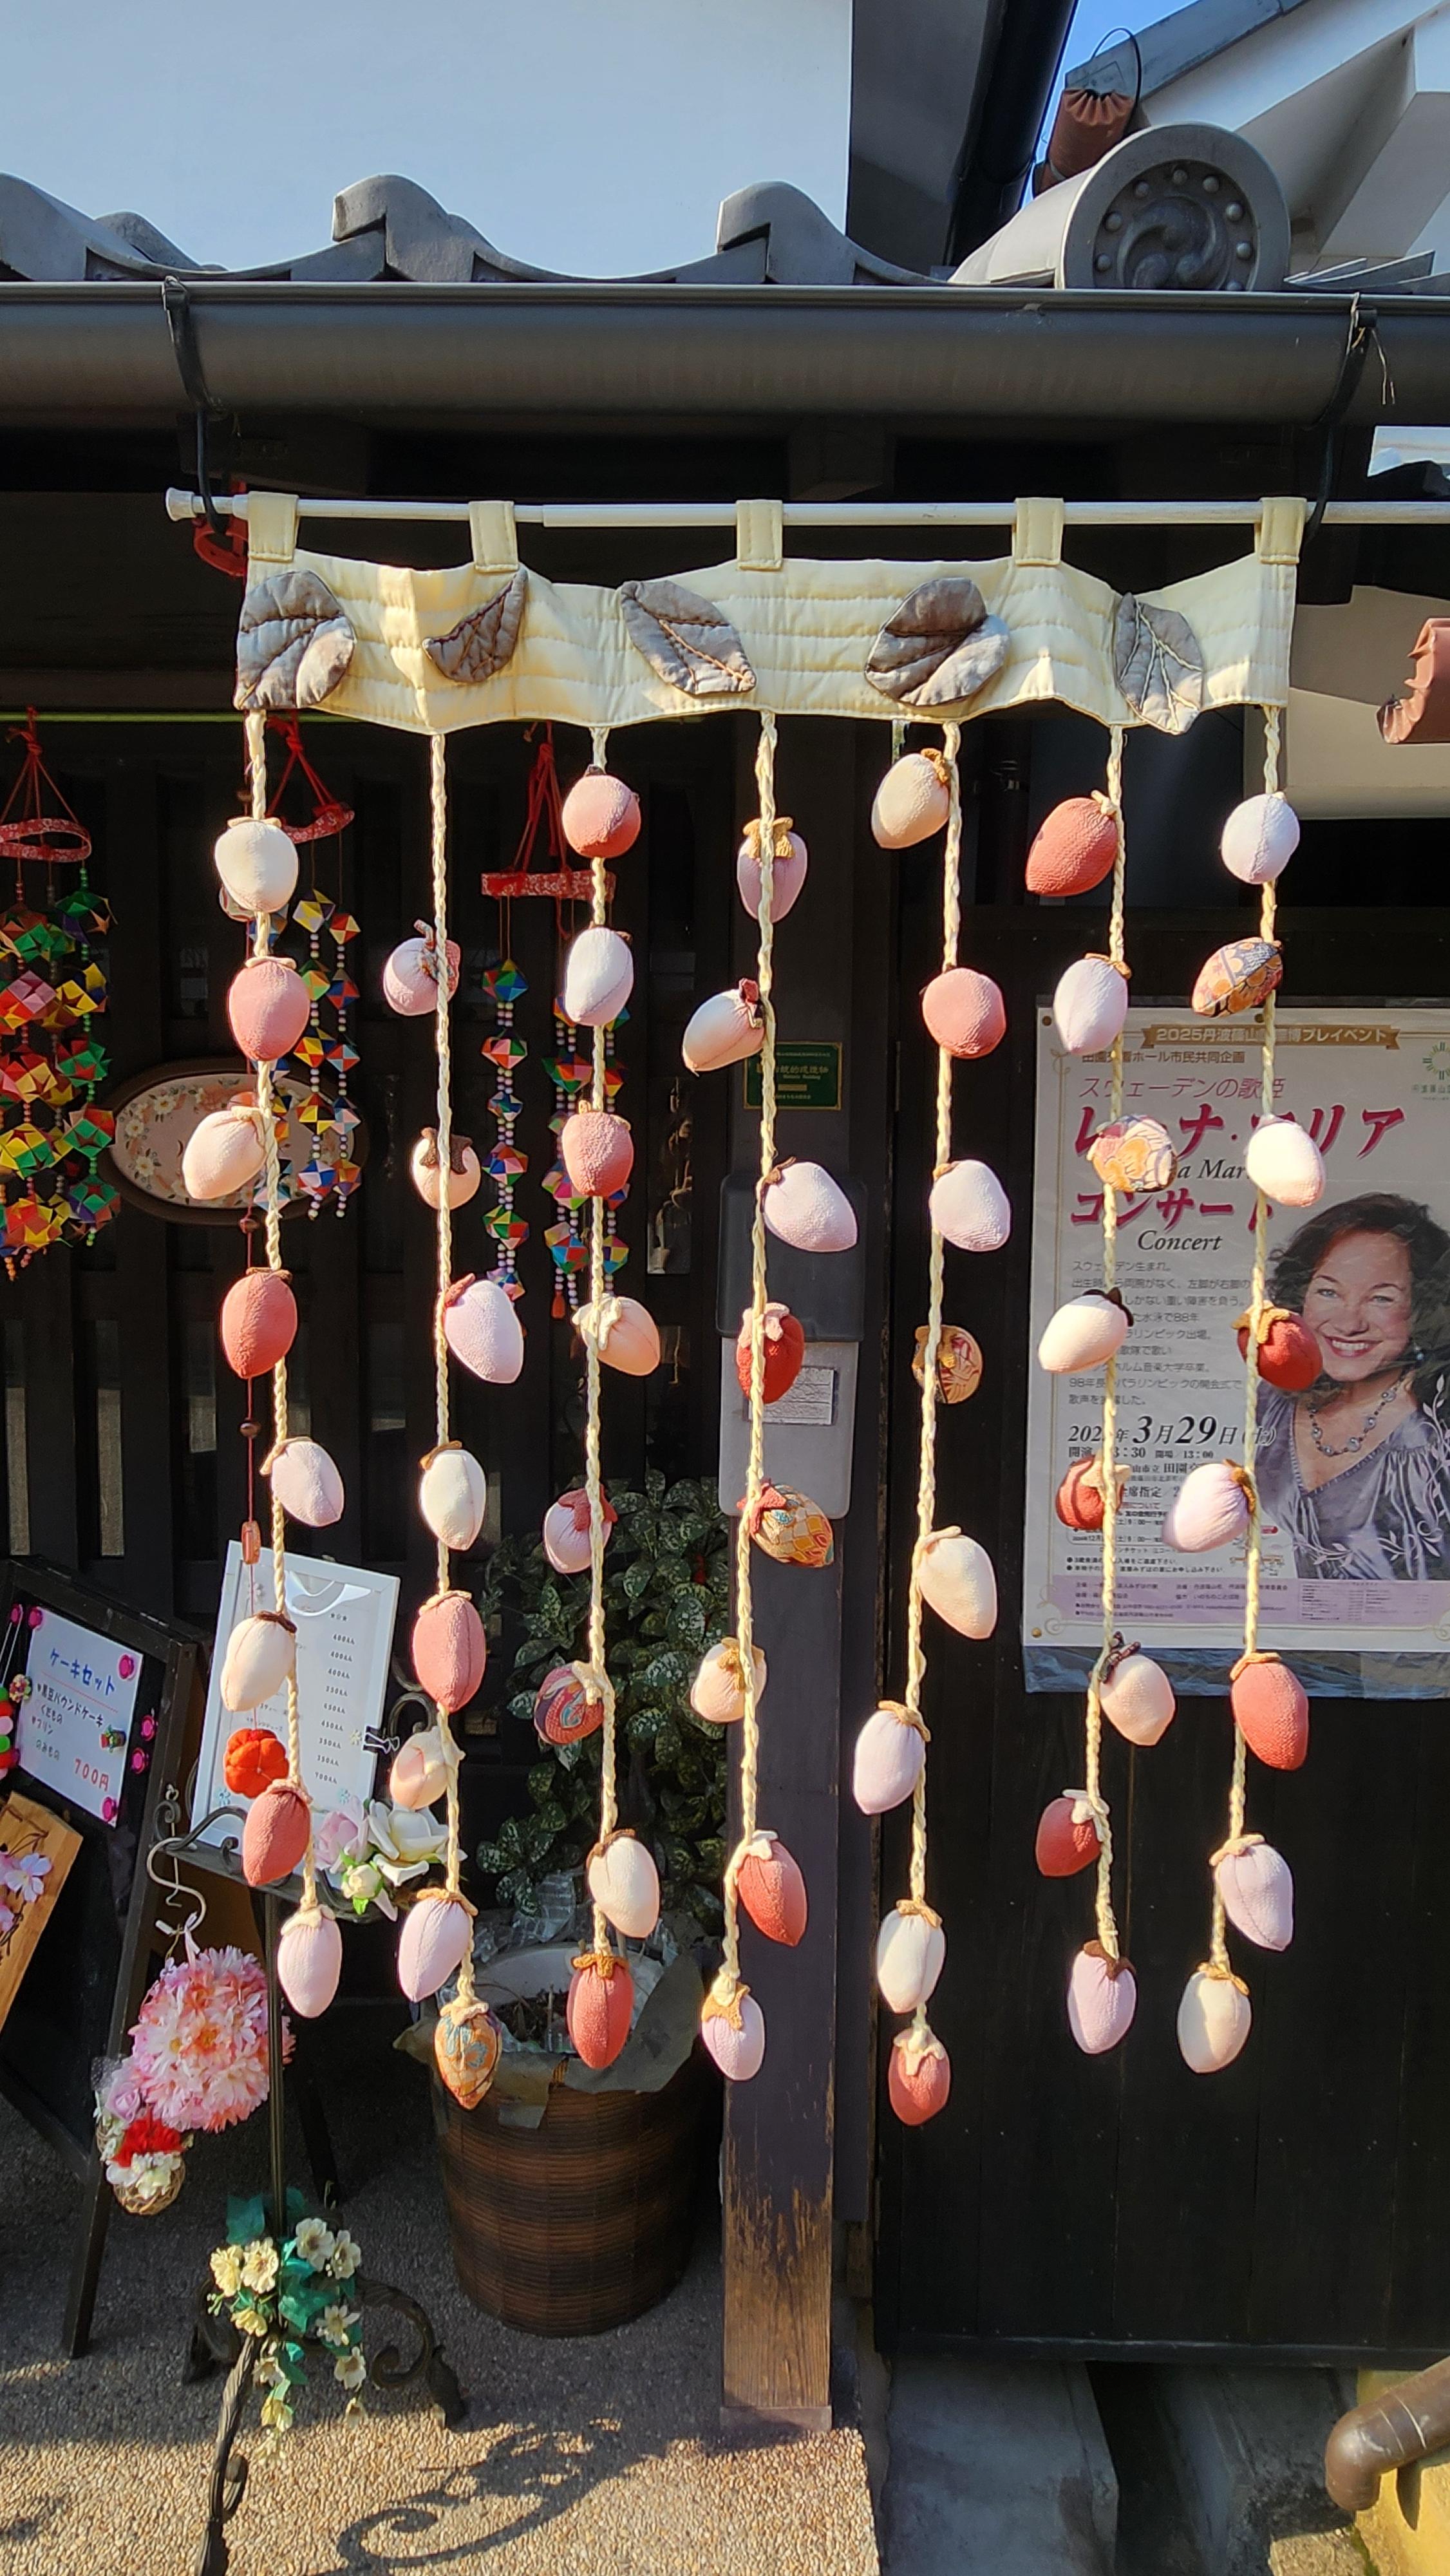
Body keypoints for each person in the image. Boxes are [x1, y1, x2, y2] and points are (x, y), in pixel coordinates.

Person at [1254, 1192, 1450, 1581]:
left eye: (1381, 1299)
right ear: (1301, 1296)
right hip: (1293, 1620)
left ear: (1421, 1307)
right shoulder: (1272, 1399)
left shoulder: (1437, 1420)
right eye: (1328, 1292)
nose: (1349, 1324)